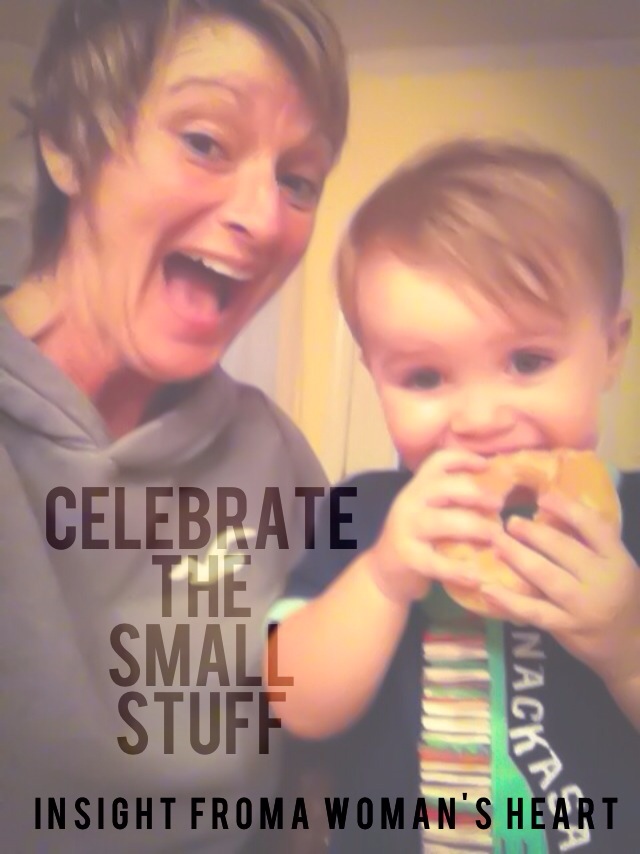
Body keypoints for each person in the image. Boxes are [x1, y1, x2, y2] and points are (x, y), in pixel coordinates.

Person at [0, 1, 348, 852]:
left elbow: (317, 768)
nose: (265, 217)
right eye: (204, 141)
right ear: (68, 143)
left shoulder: (279, 459)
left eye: (298, 181)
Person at [269, 139, 640, 853]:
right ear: (374, 373)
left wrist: (628, 647)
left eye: (527, 361)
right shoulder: (365, 512)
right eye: (426, 378)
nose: (478, 418)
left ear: (611, 348)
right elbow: (292, 703)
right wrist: (383, 579)